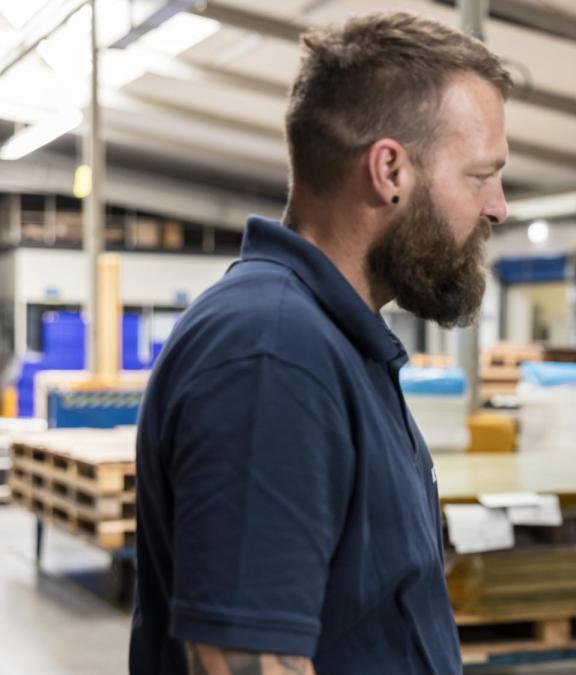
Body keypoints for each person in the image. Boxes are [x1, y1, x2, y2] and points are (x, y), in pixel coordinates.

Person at [130, 12, 511, 675]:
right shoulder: (272, 351)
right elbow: (245, 658)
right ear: (389, 169)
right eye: (481, 175)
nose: (498, 206)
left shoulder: (335, 341)